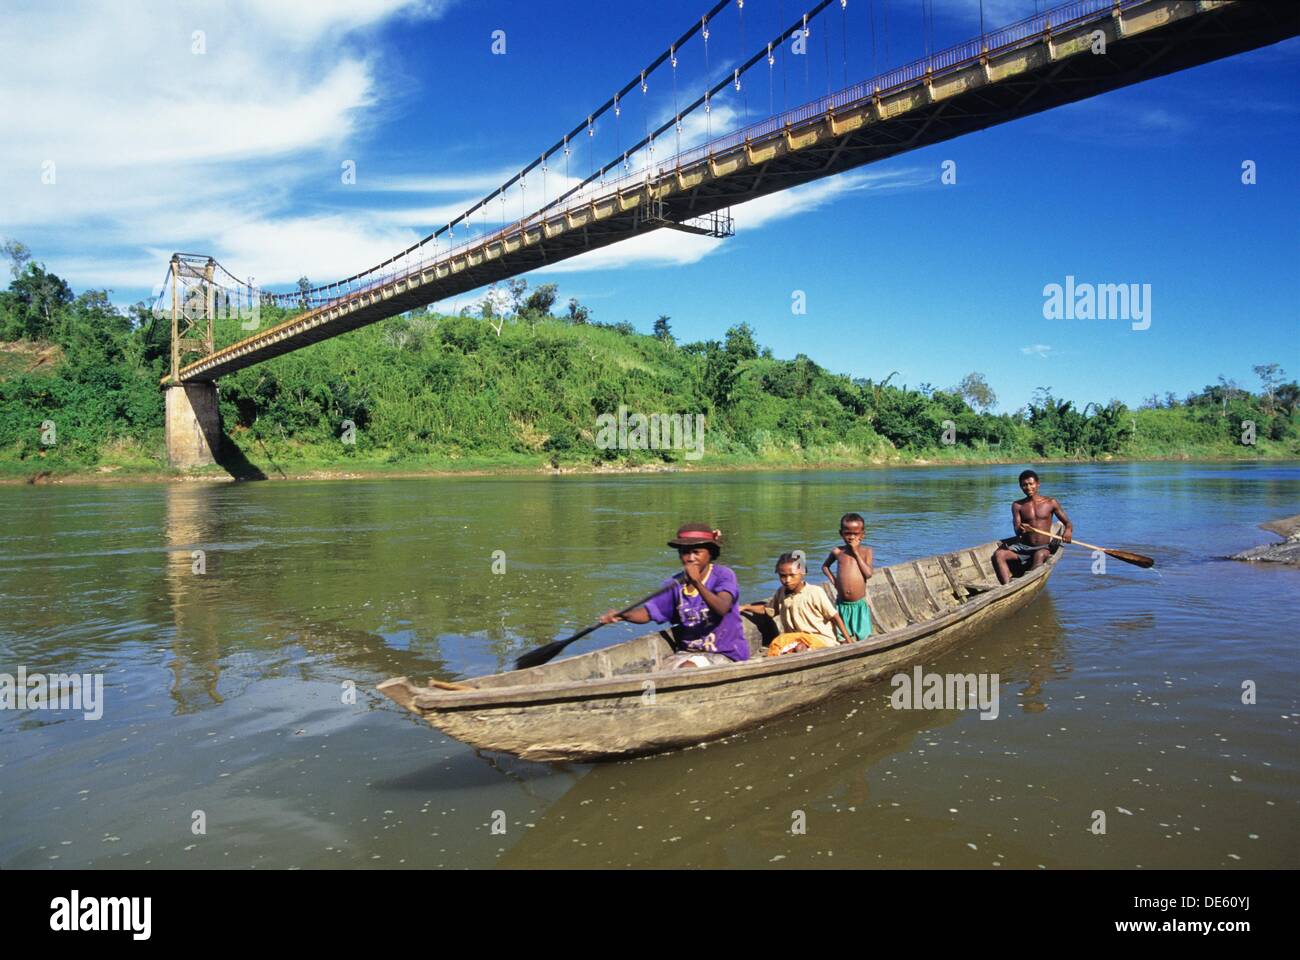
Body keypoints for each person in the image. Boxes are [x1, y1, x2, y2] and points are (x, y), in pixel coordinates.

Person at [600, 523, 747, 668]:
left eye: (697, 552)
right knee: (661, 670)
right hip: (686, 652)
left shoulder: (723, 575)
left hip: (724, 654)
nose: (690, 558)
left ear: (710, 554)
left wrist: (697, 583)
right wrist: (623, 615)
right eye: (685, 552)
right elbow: (649, 613)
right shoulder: (675, 584)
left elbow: (722, 608)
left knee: (687, 668)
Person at [741, 551, 851, 656]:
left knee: (799, 648)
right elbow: (768, 610)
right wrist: (745, 607)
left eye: (792, 575)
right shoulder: (781, 592)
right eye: (783, 576)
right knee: (777, 646)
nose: (787, 580)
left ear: (802, 573)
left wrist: (849, 641)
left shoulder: (814, 592)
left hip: (820, 639)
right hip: (795, 638)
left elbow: (835, 617)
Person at [993, 469, 1073, 584]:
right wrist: (1022, 530)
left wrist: (1068, 531)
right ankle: (1007, 587)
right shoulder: (1017, 506)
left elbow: (1068, 523)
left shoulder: (1051, 502)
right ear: (1021, 487)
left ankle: (1028, 579)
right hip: (1024, 547)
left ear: (1038, 484)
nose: (1028, 487)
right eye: (1024, 485)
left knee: (1039, 555)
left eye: (1031, 484)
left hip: (1043, 547)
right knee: (999, 554)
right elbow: (1017, 530)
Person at [821, 513, 874, 641]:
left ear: (862, 535)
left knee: (863, 637)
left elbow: (868, 574)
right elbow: (825, 567)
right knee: (843, 638)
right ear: (841, 533)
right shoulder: (838, 552)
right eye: (847, 533)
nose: (851, 537)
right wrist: (834, 581)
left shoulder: (866, 551)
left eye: (855, 534)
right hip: (842, 604)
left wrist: (855, 552)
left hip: (859, 605)